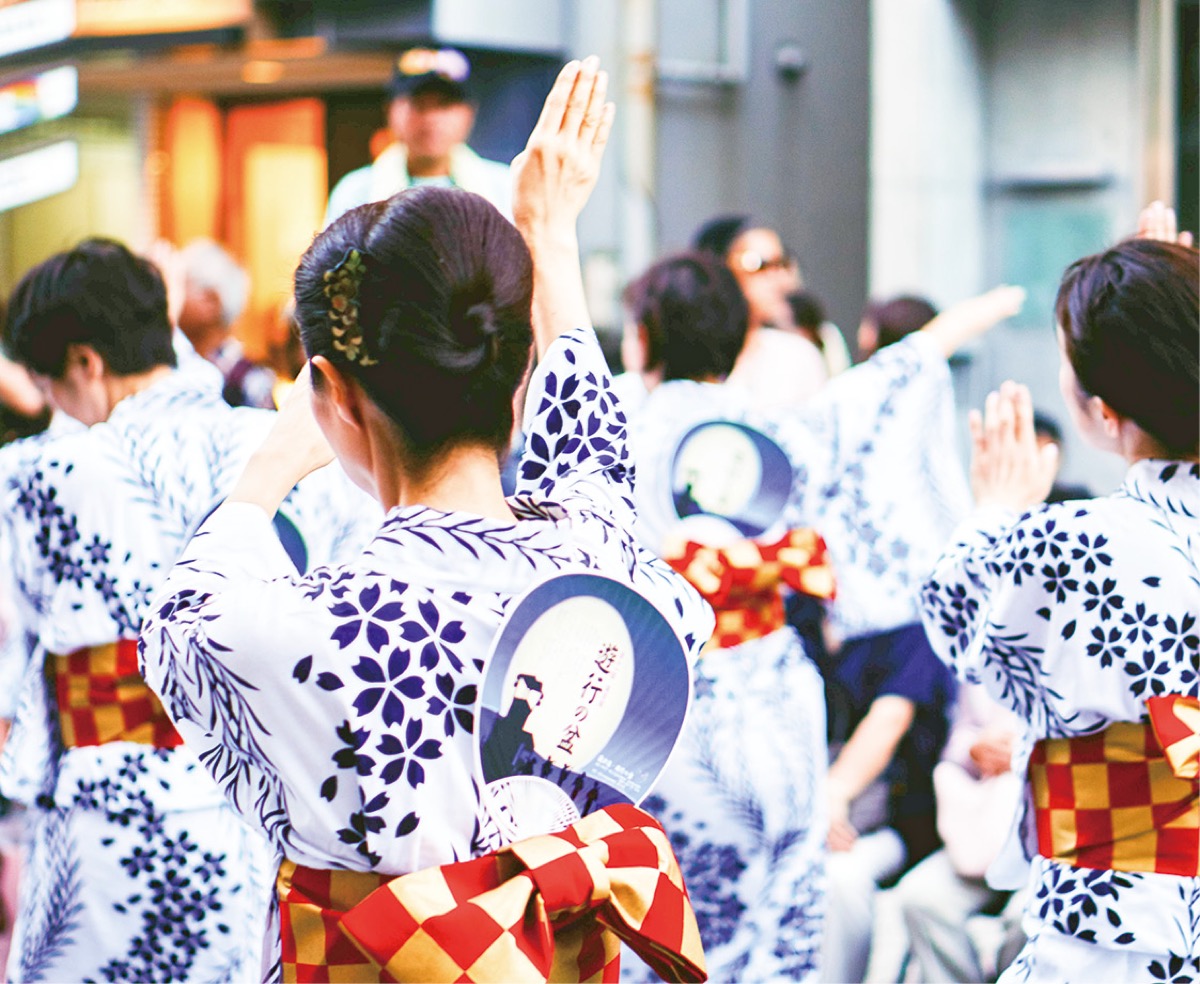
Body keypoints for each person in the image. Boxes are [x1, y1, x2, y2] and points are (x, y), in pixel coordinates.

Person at [139, 59, 714, 980]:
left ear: (333, 392)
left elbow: (177, 620)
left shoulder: (313, 627)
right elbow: (591, 444)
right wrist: (547, 232)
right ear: (518, 385)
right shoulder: (615, 570)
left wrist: (275, 462)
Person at [0, 238, 374, 982]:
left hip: (106, 825)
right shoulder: (292, 447)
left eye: (50, 387)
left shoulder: (32, 476)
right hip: (267, 814)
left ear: (85, 364)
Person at [919, 203, 1199, 982]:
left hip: (1123, 925)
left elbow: (951, 606)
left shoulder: (1081, 540)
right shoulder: (1120, 537)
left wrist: (998, 508)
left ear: (1101, 411)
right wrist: (1166, 310)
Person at [324, 47, 512, 226]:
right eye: (418, 104)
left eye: (444, 105)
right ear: (390, 111)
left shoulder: (504, 189)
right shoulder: (355, 193)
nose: (431, 118)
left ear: (469, 112)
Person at [693, 215, 831, 409]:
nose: (781, 279)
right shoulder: (692, 356)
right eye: (759, 264)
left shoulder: (797, 357)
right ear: (719, 268)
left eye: (782, 263)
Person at [176, 237, 278, 409]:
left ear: (210, 301)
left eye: (180, 285)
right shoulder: (175, 366)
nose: (169, 296)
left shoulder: (249, 380)